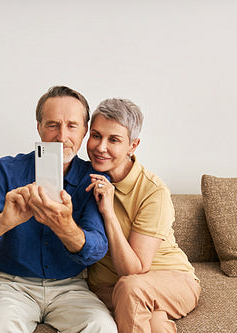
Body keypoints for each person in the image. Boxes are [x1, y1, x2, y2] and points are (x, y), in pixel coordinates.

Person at [0, 86, 117, 333]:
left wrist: (65, 227)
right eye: (53, 125)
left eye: (72, 126)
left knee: (102, 327)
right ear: (39, 127)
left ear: (85, 130)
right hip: (13, 285)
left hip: (71, 287)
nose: (62, 136)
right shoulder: (5, 171)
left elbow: (96, 248)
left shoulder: (92, 178)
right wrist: (4, 221)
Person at [85, 98, 200, 333]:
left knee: (132, 287)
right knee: (155, 324)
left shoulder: (153, 192)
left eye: (114, 139)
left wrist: (108, 212)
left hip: (170, 281)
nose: (100, 147)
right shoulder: (82, 178)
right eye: (96, 135)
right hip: (109, 288)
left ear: (133, 146)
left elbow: (133, 271)